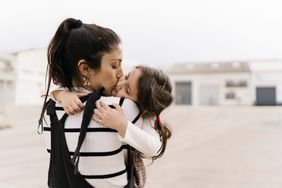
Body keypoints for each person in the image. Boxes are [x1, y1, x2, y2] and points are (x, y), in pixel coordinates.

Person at [40, 17, 172, 188]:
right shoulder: (123, 108)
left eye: (121, 66)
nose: (120, 75)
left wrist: (60, 94)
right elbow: (154, 147)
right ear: (85, 69)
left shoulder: (49, 111)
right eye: (114, 66)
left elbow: (153, 146)